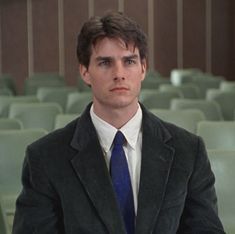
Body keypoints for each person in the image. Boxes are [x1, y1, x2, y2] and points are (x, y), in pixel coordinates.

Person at [13, 12, 225, 234]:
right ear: (85, 71)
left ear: (143, 68)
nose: (119, 74)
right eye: (105, 63)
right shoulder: (46, 158)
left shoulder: (189, 151)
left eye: (129, 61)